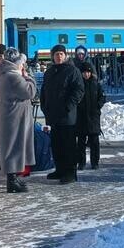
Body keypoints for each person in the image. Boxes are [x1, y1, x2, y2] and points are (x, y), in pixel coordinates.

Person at [40, 44, 85, 184]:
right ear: (52, 56)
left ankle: (70, 172)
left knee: (68, 145)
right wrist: (44, 107)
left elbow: (78, 90)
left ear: (65, 56)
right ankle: (59, 169)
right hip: (53, 115)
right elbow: (44, 91)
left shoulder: (72, 71)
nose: (59, 56)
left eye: (61, 54)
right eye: (56, 54)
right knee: (56, 144)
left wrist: (68, 106)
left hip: (67, 116)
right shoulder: (49, 72)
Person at [0, 47, 36, 193]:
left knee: (12, 146)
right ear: (17, 63)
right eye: (21, 63)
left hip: (10, 117)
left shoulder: (3, 74)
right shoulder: (13, 76)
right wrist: (29, 77)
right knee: (13, 147)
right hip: (14, 118)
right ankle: (12, 181)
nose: (22, 66)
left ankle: (14, 177)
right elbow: (29, 92)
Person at [76, 62, 106, 170]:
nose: (86, 74)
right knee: (81, 142)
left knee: (94, 142)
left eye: (88, 72)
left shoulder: (96, 84)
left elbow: (102, 97)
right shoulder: (78, 85)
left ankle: (95, 162)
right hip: (81, 117)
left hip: (93, 117)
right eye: (84, 72)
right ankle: (81, 162)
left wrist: (98, 106)